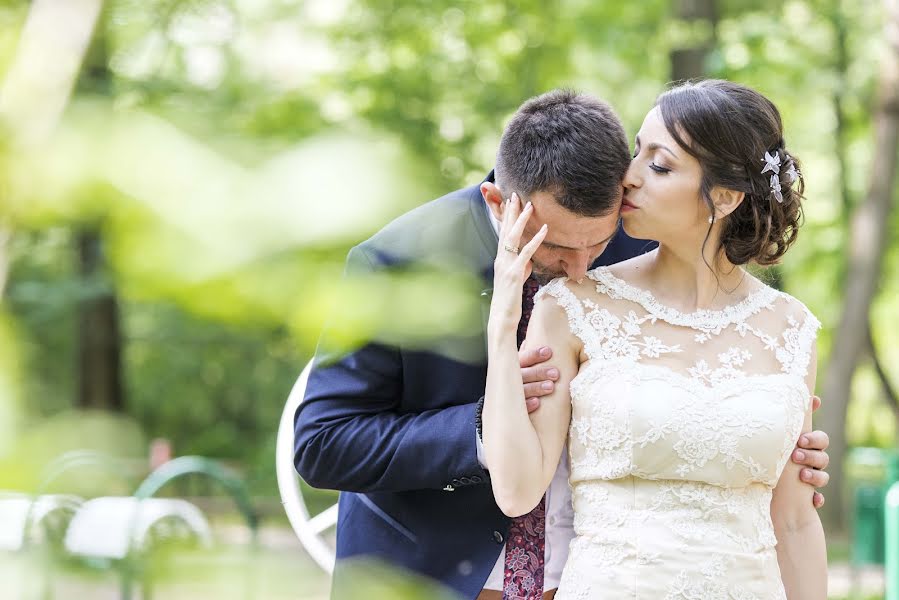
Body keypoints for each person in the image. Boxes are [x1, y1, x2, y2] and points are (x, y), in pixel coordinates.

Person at [294, 88, 831, 600]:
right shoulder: (398, 263)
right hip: (434, 577)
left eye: (596, 245)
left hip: (587, 572)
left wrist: (758, 433)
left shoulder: (639, 233)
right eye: (553, 246)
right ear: (499, 203)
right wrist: (485, 424)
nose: (579, 269)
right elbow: (322, 442)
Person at [484, 79, 827, 599]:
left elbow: (797, 524)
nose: (629, 177)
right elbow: (515, 491)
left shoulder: (792, 328)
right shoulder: (572, 307)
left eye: (659, 164)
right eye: (635, 152)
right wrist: (501, 326)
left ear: (727, 196)